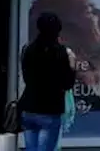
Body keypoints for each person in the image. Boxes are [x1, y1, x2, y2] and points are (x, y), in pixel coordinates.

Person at [19, 13, 76, 151]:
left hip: (29, 108)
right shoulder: (62, 53)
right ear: (58, 30)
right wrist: (72, 66)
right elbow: (67, 84)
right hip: (50, 109)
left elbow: (27, 78)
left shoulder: (28, 49)